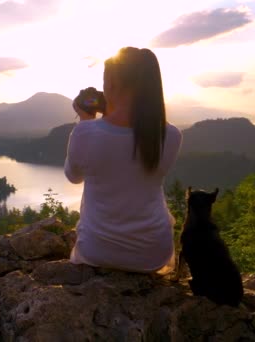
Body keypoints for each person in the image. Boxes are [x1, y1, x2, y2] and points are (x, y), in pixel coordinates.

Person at [65, 47, 182, 273]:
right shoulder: (171, 135)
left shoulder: (86, 132)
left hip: (97, 251)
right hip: (153, 254)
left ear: (112, 84)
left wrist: (86, 119)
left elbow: (73, 177)